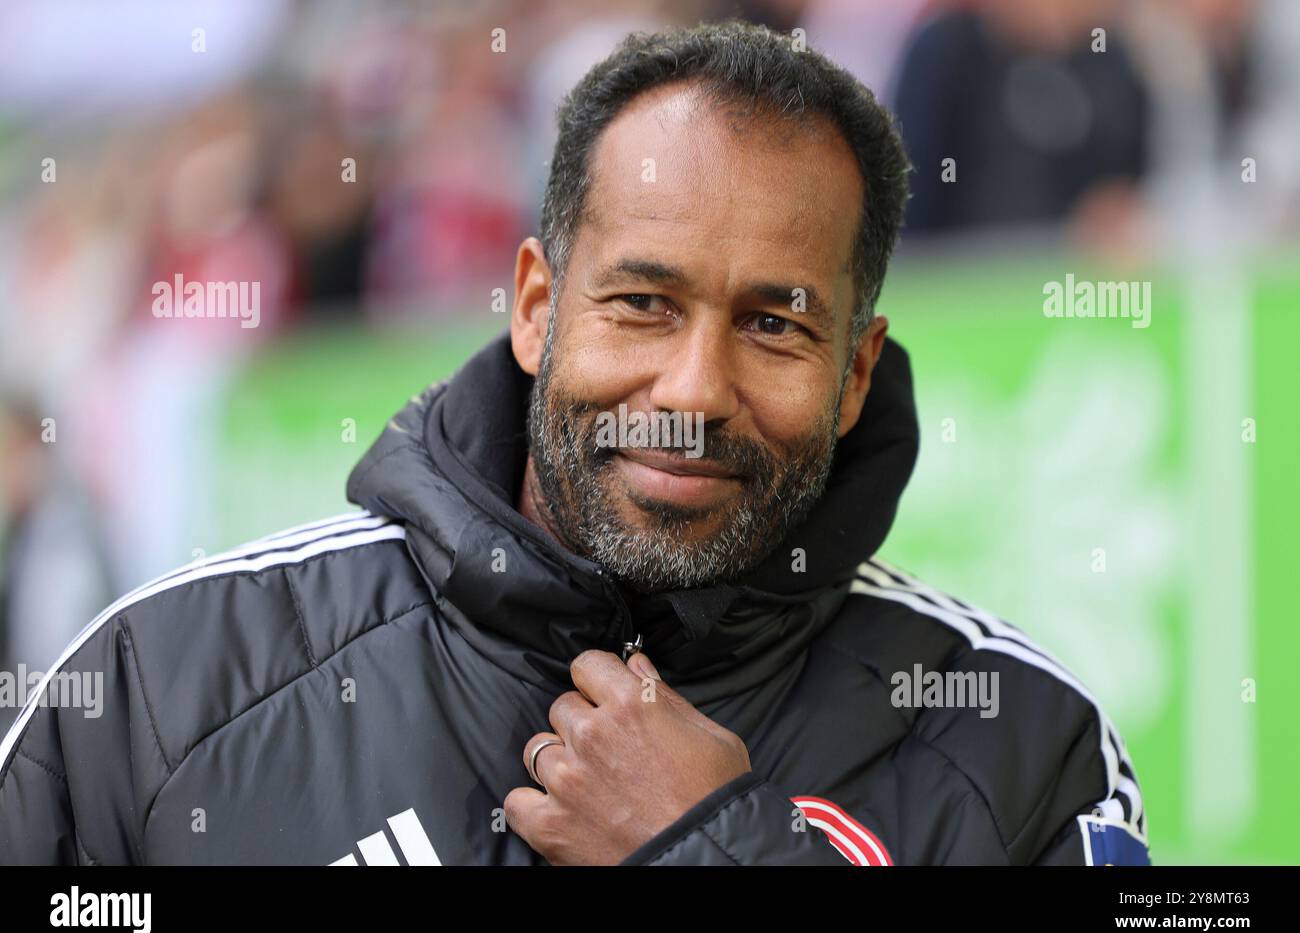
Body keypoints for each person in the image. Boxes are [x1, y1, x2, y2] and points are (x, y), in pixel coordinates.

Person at [0, 21, 1147, 866]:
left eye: (773, 324)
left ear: (854, 371)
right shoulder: (170, 684)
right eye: (642, 304)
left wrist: (713, 850)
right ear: (538, 307)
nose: (692, 390)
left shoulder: (1022, 746)